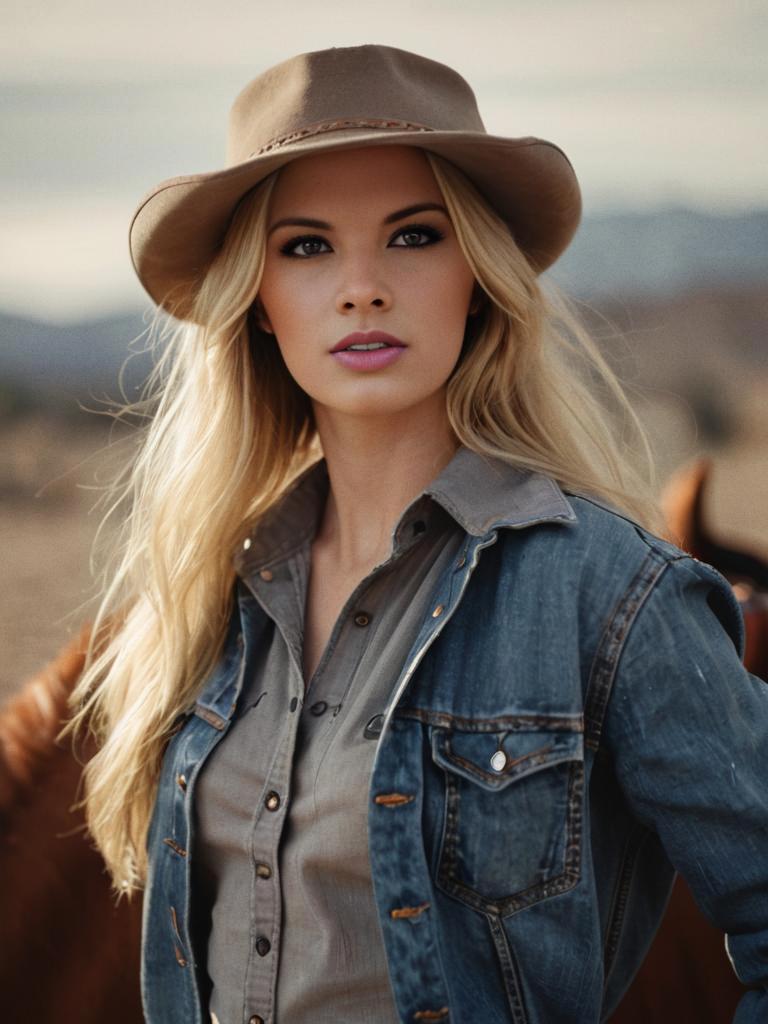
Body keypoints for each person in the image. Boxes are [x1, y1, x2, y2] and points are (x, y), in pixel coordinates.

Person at [61, 44, 768, 1023]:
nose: (362, 287)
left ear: (477, 272)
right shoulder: (211, 596)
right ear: (256, 300)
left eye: (414, 236)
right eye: (307, 246)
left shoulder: (609, 593)